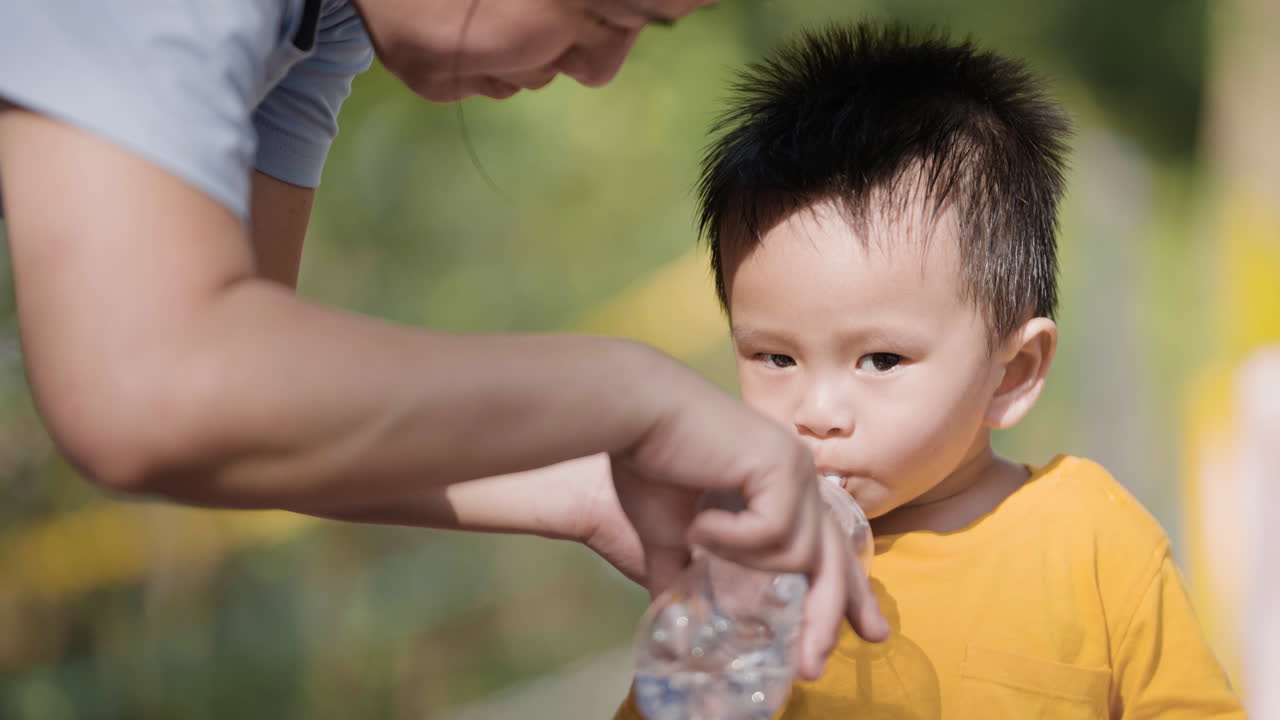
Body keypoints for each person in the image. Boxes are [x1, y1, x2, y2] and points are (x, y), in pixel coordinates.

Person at [0, 0, 888, 679]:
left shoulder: (326, 26)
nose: (601, 68)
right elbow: (152, 388)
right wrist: (632, 397)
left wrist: (587, 482)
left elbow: (245, 415)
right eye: (602, 10)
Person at [610, 22, 1247, 719]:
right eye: (775, 357)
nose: (817, 411)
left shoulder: (1089, 538)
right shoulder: (750, 558)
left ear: (1012, 373)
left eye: (880, 360)